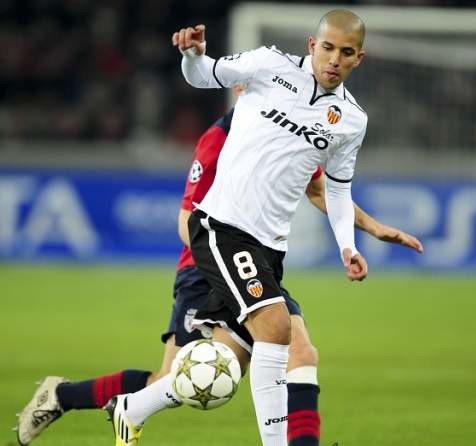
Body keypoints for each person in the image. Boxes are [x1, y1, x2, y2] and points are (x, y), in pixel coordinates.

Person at [15, 108, 423, 446]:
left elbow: (318, 191)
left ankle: (102, 403)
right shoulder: (217, 140)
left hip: (257, 265)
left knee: (294, 352)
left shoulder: (288, 127)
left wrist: (372, 229)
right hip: (207, 267)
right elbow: (185, 223)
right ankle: (68, 397)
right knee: (182, 377)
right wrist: (226, 271)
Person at [119, 8, 374, 446]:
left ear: (358, 59)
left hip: (270, 248)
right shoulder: (269, 66)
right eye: (327, 47)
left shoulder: (351, 121)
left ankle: (133, 407)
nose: (334, 59)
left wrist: (347, 246)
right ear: (313, 45)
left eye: (345, 53)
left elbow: (336, 187)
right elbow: (203, 75)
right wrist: (193, 55)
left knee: (230, 360)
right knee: (277, 327)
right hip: (220, 226)